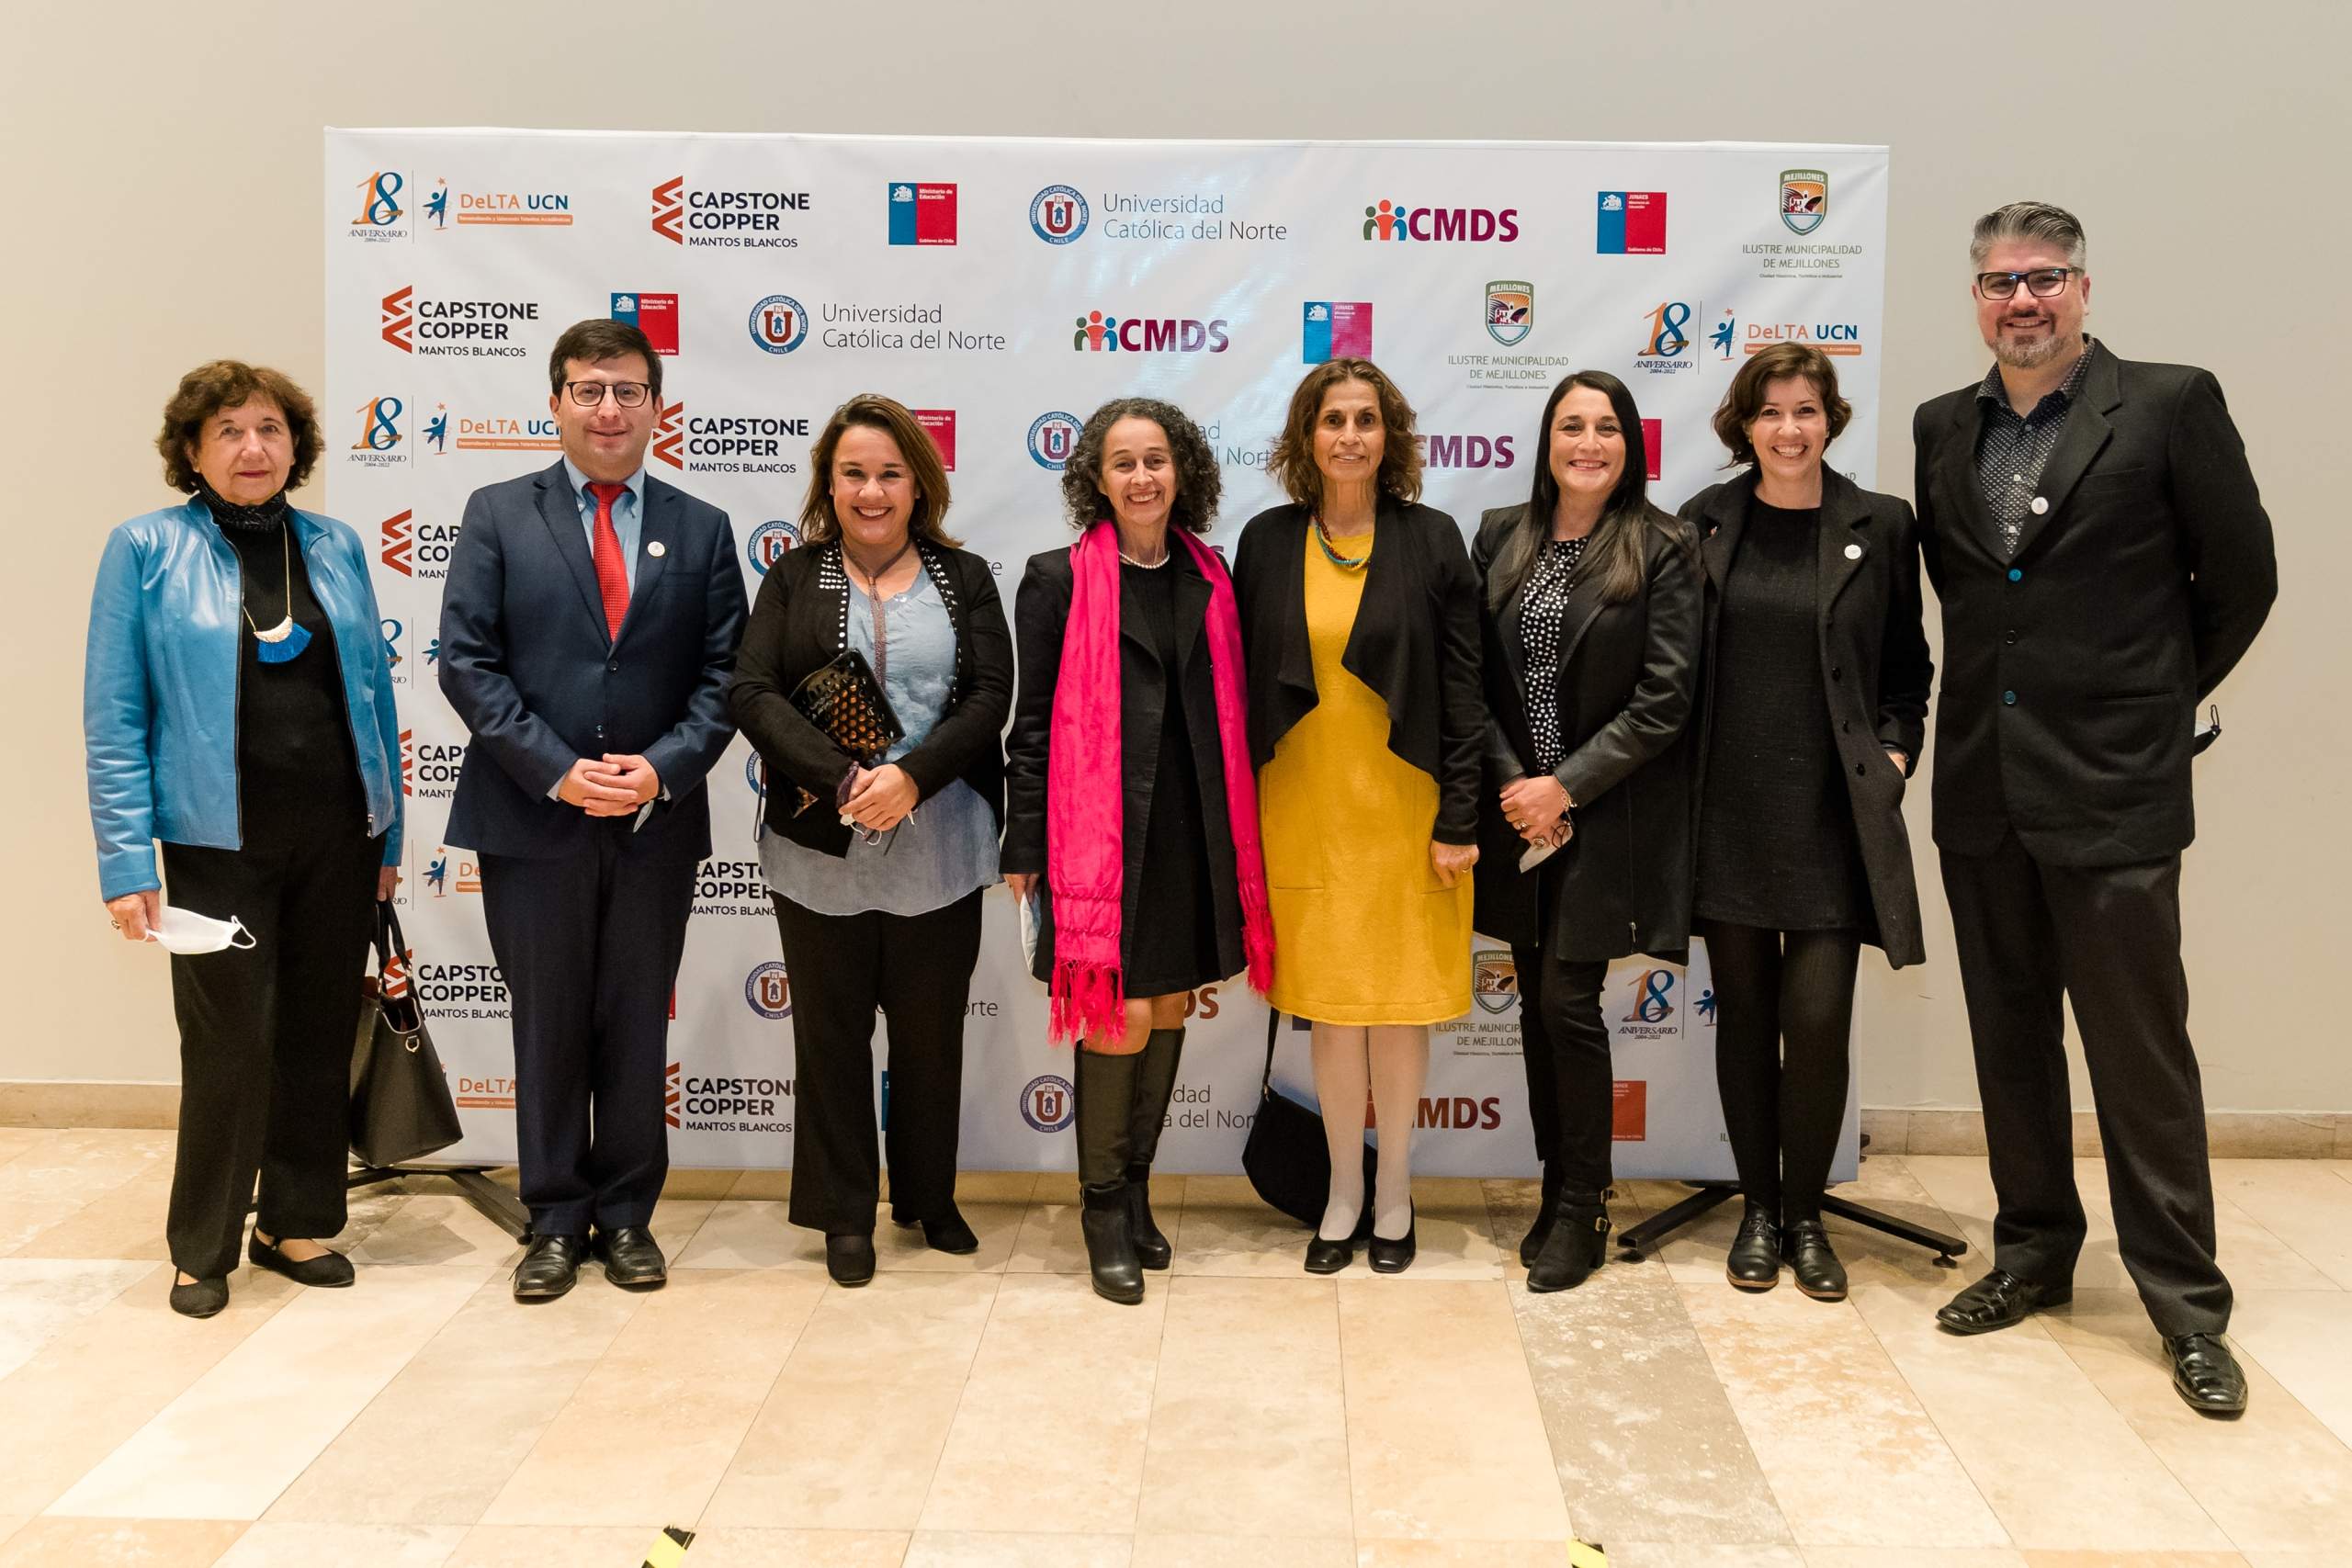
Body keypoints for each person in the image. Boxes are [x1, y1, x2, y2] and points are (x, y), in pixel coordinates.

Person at [1913, 202, 2275, 1415]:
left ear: (2081, 287)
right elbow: (1974, 594)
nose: (2022, 299)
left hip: (2115, 790)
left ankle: (2186, 1304)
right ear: (1975, 298)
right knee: (2010, 1041)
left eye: (2044, 277)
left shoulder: (2168, 404)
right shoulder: (1939, 426)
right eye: (1999, 281)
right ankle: (2032, 1253)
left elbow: (2243, 578)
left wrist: (2155, 706)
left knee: (2138, 1053)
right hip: (1983, 790)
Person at [85, 361, 402, 1319]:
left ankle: (294, 1223)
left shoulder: (337, 546)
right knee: (226, 1046)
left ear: (295, 446)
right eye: (228, 431)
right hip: (212, 843)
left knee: (316, 1034)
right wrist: (125, 862)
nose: (252, 448)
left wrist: (388, 837)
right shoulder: (144, 548)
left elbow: (375, 699)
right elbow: (114, 715)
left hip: (338, 837)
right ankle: (203, 1244)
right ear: (192, 451)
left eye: (269, 428)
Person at [438, 319, 748, 1303]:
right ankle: (554, 1220)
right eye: (588, 389)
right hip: (532, 821)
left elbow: (726, 675)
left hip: (655, 824)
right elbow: (467, 663)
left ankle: (626, 1217)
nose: (608, 409)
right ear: (556, 402)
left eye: (627, 391)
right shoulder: (497, 512)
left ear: (657, 407)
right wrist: (559, 771)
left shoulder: (703, 527)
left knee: (633, 1023)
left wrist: (660, 770)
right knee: (548, 1026)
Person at [728, 395, 1012, 1287]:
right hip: (820, 851)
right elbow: (751, 690)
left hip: (942, 845)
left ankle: (929, 1197)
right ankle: (843, 1213)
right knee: (831, 1038)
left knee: (930, 1040)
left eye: (890, 473)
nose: (872, 491)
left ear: (918, 485)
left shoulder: (964, 578)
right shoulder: (792, 576)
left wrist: (911, 777)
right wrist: (841, 778)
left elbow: (990, 696)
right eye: (853, 473)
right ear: (829, 484)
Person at [1002, 398, 1274, 1304]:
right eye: (1122, 462)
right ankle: (1101, 1211)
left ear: (1182, 470)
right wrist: (1024, 840)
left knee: (1165, 1009)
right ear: (1097, 479)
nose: (1142, 476)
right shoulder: (1056, 580)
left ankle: (1137, 1189)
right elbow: (1031, 727)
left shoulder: (1212, 574)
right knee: (1115, 1016)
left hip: (1192, 830)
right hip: (1101, 842)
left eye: (1156, 459)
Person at [1680, 344, 1932, 1301]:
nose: (1789, 429)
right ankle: (1758, 1211)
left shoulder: (1882, 523)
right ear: (1744, 425)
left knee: (1818, 1022)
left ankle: (1806, 1217)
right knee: (1745, 1019)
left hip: (1832, 820)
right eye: (1771, 412)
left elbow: (1907, 668)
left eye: (1806, 410)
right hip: (1729, 814)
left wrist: (1895, 758)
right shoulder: (1703, 521)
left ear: (1831, 419)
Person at [1232, 359, 1482, 1276]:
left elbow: (1465, 689)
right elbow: (1238, 689)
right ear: (1307, 436)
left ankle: (1396, 1191)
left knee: (1398, 1010)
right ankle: (1342, 1193)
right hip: (1301, 810)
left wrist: (1461, 817)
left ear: (1390, 435)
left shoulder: (1432, 537)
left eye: (1365, 420)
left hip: (1407, 812)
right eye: (1331, 419)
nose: (1349, 436)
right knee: (1333, 1013)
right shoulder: (1266, 541)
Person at [1471, 370, 1699, 1293]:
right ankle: (1554, 1187)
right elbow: (1472, 679)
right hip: (1515, 815)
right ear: (1548, 440)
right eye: (1571, 426)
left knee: (1567, 1002)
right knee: (1535, 1006)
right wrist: (1515, 785)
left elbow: (1665, 699)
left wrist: (1563, 788)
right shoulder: (1501, 536)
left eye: (1606, 427)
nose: (1588, 443)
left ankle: (1583, 1207)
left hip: (1606, 814)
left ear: (1630, 445)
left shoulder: (1663, 545)